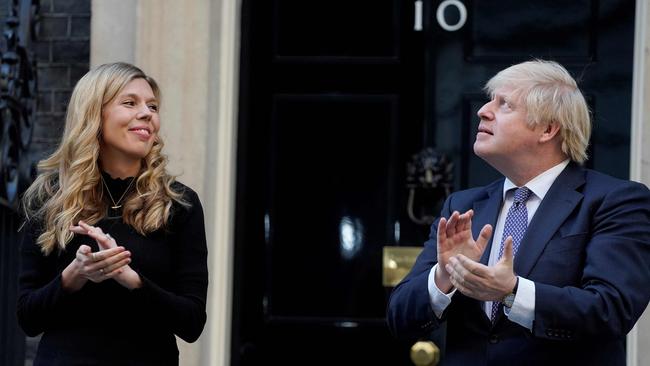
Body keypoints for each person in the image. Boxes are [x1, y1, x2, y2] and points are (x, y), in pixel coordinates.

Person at [387, 60, 650, 365]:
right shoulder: (462, 207)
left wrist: (512, 292)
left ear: (548, 129)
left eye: (504, 104)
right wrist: (443, 278)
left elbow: (611, 311)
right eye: (489, 100)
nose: (483, 111)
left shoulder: (615, 201)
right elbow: (399, 317)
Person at [17, 62, 208, 365]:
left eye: (153, 106)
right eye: (130, 103)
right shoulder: (50, 198)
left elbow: (192, 322)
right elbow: (27, 318)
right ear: (95, 113)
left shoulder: (179, 203)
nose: (147, 113)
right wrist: (74, 275)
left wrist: (130, 279)